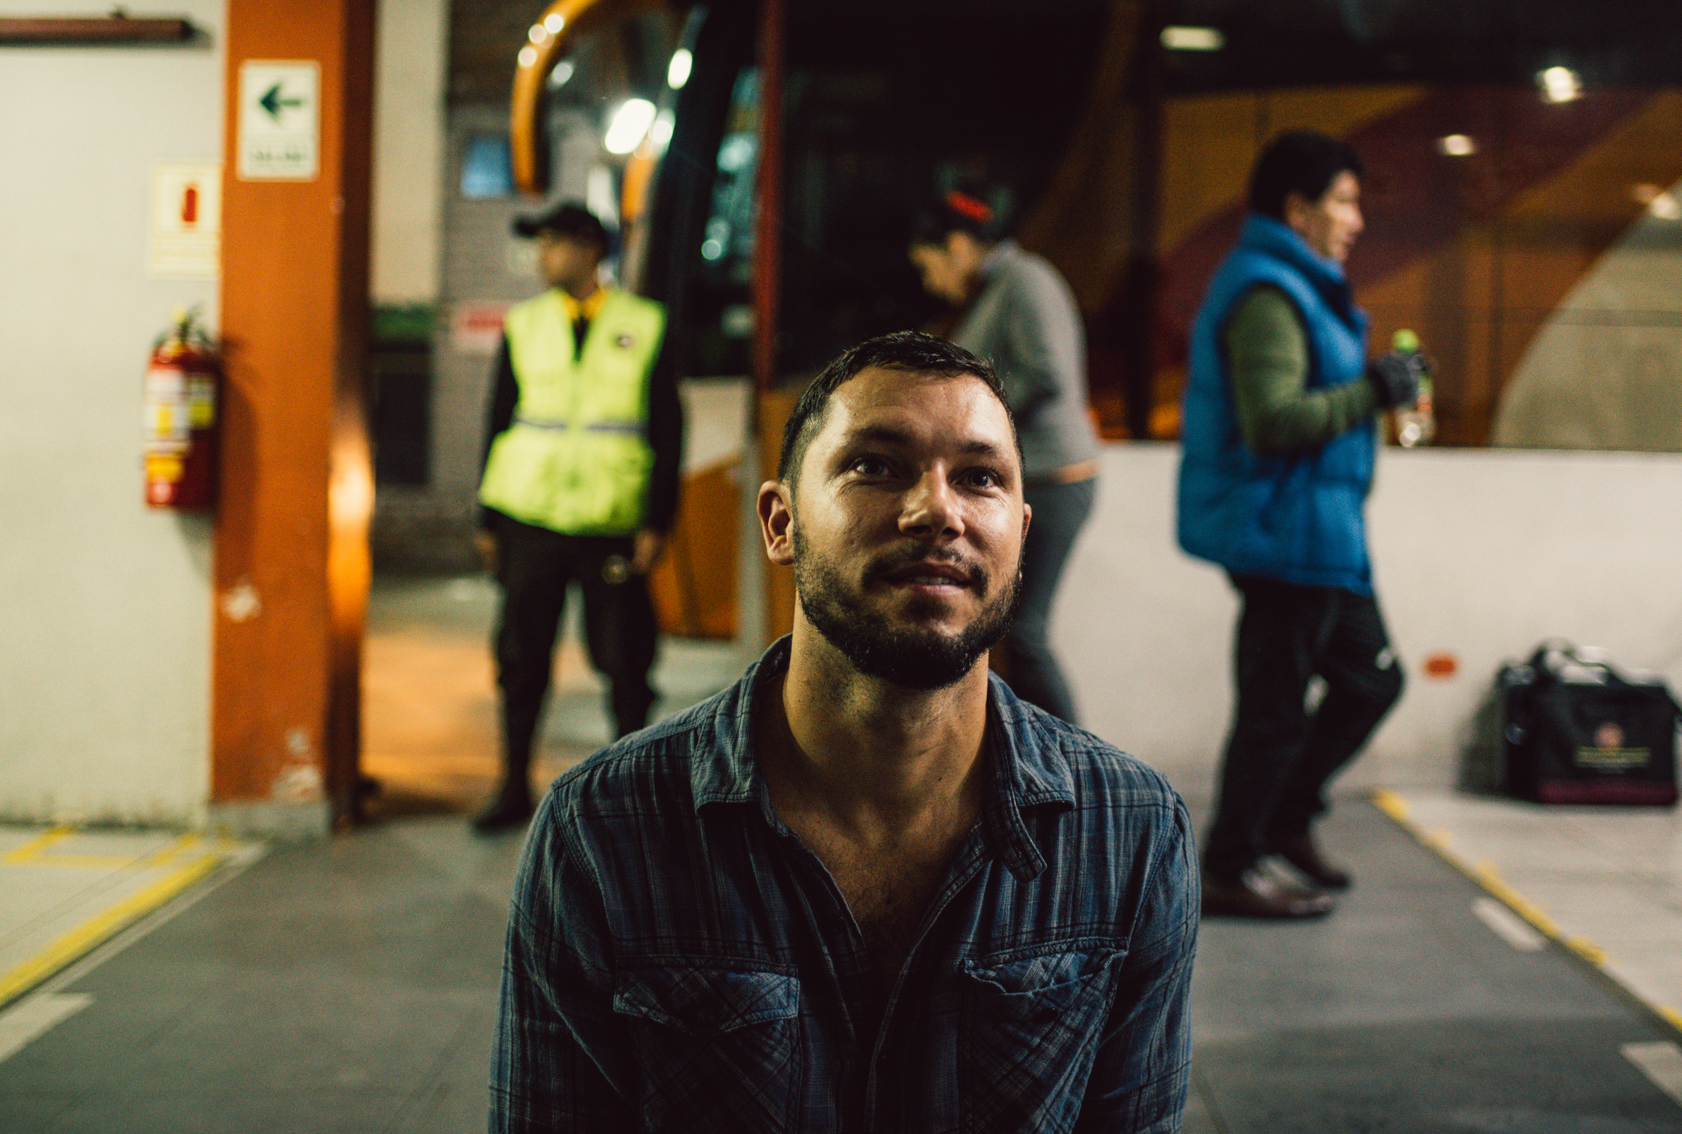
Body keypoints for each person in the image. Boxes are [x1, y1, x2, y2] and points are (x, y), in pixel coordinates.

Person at [490, 331, 1199, 1133]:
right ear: (780, 522)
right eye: (876, 465)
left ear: (1021, 535)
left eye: (979, 478)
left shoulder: (1131, 832)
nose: (938, 509)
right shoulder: (603, 831)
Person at [1176, 130, 1428, 920]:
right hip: (1284, 533)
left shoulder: (1305, 286)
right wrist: (1374, 392)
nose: (1357, 219)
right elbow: (1274, 420)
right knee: (1276, 709)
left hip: (1326, 535)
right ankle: (1230, 862)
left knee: (1371, 678)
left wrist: (1370, 390)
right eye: (1345, 201)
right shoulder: (1268, 293)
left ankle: (1283, 820)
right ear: (1298, 208)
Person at [471, 202, 683, 833]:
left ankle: (633, 790)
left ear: (591, 249)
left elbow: (669, 425)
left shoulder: (645, 324)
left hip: (611, 518)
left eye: (554, 243)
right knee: (520, 655)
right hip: (529, 514)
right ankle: (512, 785)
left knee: (625, 660)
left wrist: (657, 520)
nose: (543, 256)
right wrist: (486, 519)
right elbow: (499, 415)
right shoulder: (525, 323)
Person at [908, 186, 1100, 723]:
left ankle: (1075, 763)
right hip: (1036, 477)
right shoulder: (996, 288)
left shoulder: (1025, 281)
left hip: (1053, 479)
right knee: (1005, 631)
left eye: (929, 266)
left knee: (1022, 632)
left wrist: (964, 420)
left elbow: (1045, 374)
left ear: (957, 246)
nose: (931, 282)